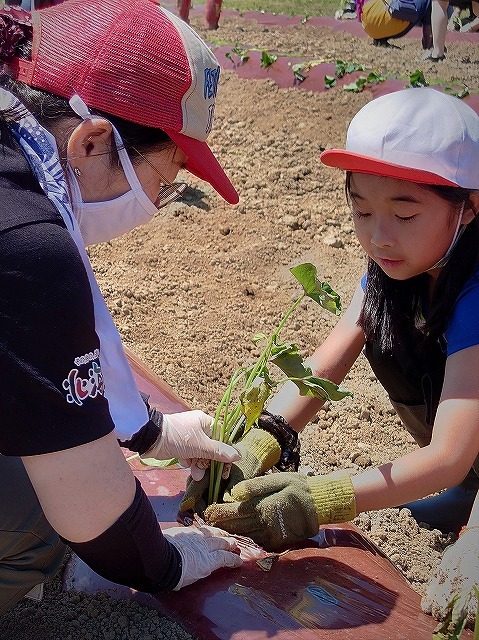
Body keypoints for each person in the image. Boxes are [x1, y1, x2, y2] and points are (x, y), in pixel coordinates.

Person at [0, 0, 246, 615]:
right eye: (162, 179)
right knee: (34, 509)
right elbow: (98, 520)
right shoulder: (27, 243)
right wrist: (171, 561)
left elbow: (34, 352)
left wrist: (151, 430)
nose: (158, 204)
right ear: (91, 139)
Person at [204, 87, 479, 624]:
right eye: (361, 210)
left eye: (404, 214)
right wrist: (263, 438)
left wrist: (320, 499)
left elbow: (448, 453)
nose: (379, 237)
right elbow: (326, 364)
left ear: (469, 207)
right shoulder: (393, 268)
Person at [356, 0, 432, 48]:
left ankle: (380, 39)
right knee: (428, 1)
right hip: (392, 21)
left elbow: (359, 12)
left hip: (369, 27)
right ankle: (429, 43)